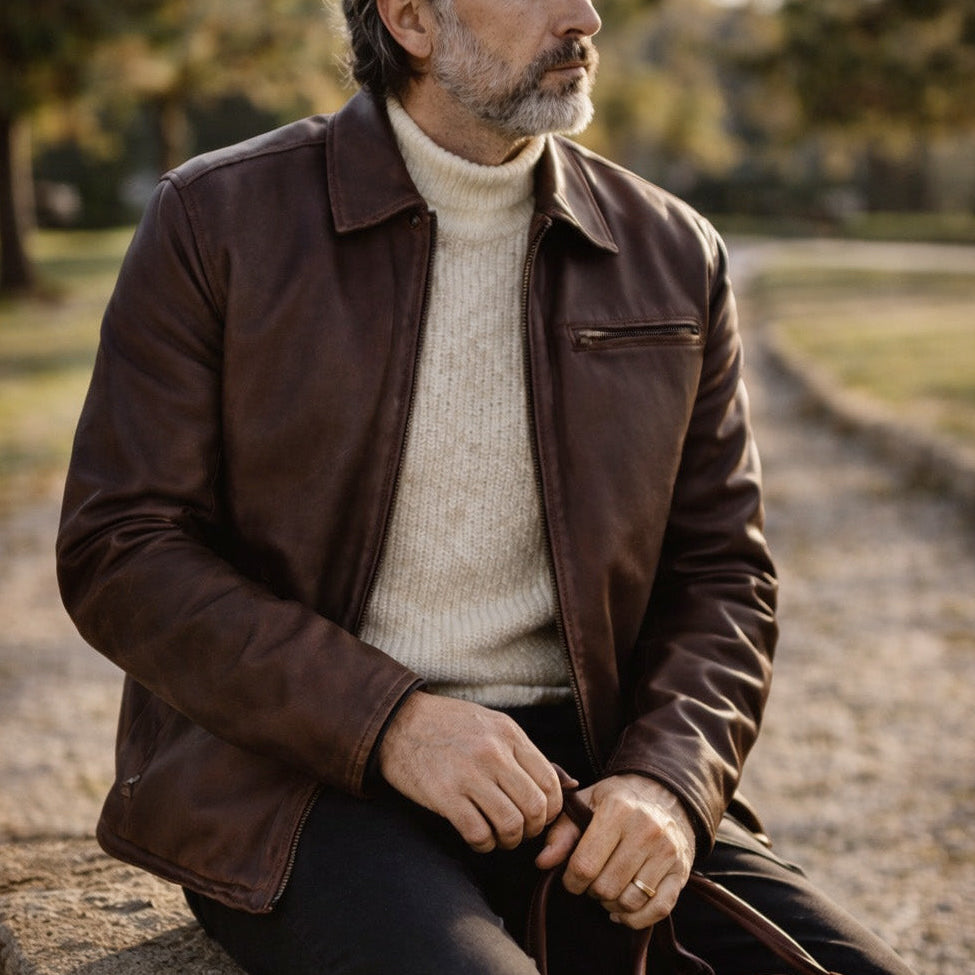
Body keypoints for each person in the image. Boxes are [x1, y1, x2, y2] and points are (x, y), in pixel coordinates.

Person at [56, 0, 916, 971]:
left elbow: (722, 572)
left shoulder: (676, 255)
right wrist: (389, 723)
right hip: (303, 777)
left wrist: (670, 784)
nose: (585, 15)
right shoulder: (215, 221)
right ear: (413, 19)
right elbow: (120, 549)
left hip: (589, 769)